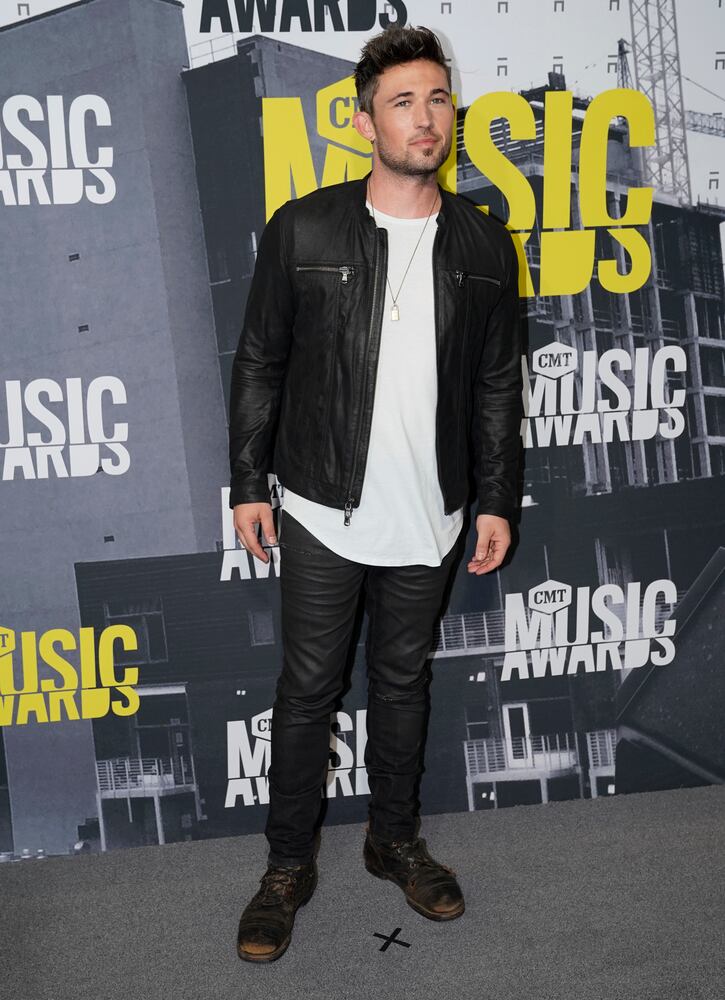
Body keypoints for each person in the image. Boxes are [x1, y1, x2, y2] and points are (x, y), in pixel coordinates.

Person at [228, 24, 523, 963]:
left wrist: (495, 498)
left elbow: (496, 385)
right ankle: (286, 868)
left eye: (437, 98)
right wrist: (248, 481)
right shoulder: (304, 229)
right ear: (365, 124)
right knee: (306, 692)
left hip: (432, 512)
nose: (424, 117)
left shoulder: (483, 242)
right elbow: (260, 361)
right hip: (321, 506)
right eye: (402, 101)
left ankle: (392, 841)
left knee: (403, 684)